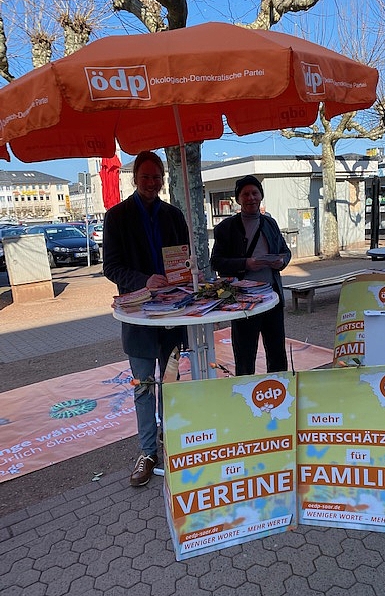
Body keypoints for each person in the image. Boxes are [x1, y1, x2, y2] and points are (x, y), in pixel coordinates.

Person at [103, 150, 189, 487]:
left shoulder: (174, 215)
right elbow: (111, 267)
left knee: (171, 386)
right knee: (143, 389)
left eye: (157, 177)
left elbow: (185, 259)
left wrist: (188, 272)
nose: (152, 183)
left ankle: (172, 444)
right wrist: (144, 281)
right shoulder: (117, 217)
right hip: (138, 317)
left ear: (163, 179)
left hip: (172, 315)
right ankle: (148, 452)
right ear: (135, 178)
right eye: (146, 177)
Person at [210, 175, 291, 376]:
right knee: (245, 357)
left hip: (272, 298)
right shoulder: (226, 228)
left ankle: (279, 389)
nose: (251, 198)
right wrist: (246, 263)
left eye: (255, 193)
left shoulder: (270, 223)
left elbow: (285, 251)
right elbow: (216, 262)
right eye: (245, 194)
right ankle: (245, 391)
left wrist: (281, 261)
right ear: (238, 199)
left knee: (277, 355)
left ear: (261, 196)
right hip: (243, 302)